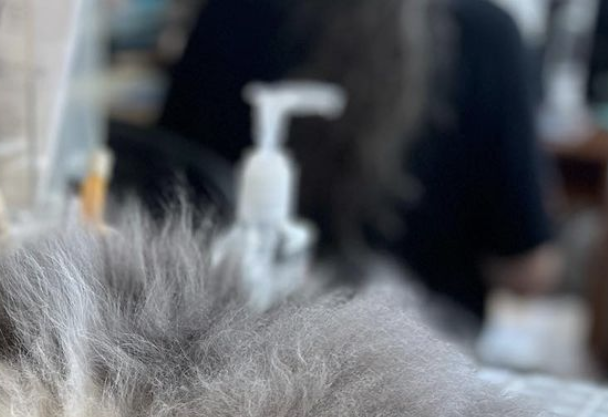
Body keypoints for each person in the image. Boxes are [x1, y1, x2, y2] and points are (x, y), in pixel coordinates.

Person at [159, 0, 562, 323]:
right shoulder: (487, 35)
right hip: (431, 363)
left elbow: (162, 199)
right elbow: (526, 270)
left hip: (237, 349)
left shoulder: (227, 13)